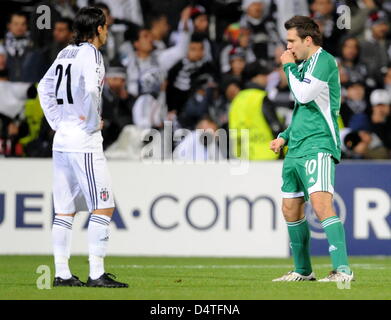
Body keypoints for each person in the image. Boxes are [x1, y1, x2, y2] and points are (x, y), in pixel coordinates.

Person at [37, 7, 128, 288]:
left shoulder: (66, 52)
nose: (108, 31)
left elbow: (43, 87)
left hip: (63, 139)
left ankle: (62, 273)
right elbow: (90, 90)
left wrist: (58, 121)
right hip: (83, 142)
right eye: (106, 26)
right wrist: (90, 122)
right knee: (103, 206)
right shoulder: (91, 54)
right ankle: (96, 273)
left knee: (64, 210)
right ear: (98, 28)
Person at [269, 16, 353, 282]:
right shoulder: (304, 64)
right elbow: (302, 110)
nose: (288, 47)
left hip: (319, 143)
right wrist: (284, 135)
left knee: (321, 204)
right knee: (290, 208)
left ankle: (343, 270)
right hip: (296, 146)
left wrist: (288, 68)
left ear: (308, 40)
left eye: (292, 41)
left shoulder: (325, 61)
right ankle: (303, 270)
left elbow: (303, 95)